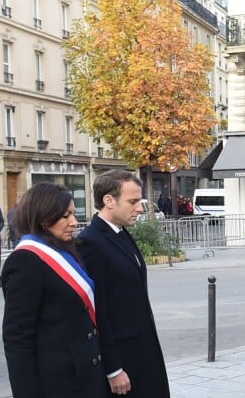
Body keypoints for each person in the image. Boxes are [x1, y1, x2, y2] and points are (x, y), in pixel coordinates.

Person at [2, 182, 107, 398]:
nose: (74, 222)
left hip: (87, 374)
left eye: (73, 214)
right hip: (58, 382)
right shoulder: (25, 261)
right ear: (43, 218)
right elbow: (17, 338)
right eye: (65, 216)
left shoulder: (67, 251)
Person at [77, 169, 170, 398]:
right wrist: (113, 367)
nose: (140, 208)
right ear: (109, 200)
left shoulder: (121, 232)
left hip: (142, 349)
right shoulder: (91, 242)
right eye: (133, 201)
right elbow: (98, 311)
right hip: (124, 358)